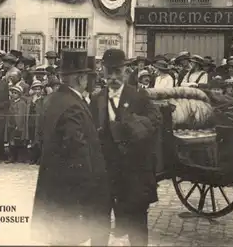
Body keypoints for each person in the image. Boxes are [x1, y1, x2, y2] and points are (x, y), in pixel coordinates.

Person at [31, 50, 110, 246]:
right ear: (81, 78)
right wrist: (90, 191)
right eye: (88, 77)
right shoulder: (73, 105)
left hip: (54, 187)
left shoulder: (54, 100)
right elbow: (77, 150)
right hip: (71, 193)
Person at [90, 48, 162, 246]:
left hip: (133, 170)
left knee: (136, 222)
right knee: (98, 219)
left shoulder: (139, 96)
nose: (113, 77)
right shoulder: (97, 99)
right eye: (109, 72)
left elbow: (155, 120)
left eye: (118, 72)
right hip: (105, 170)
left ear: (126, 70)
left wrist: (136, 125)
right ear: (102, 71)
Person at [4, 85, 29, 164]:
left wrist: (18, 125)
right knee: (11, 140)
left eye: (16, 93)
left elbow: (21, 115)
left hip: (17, 124)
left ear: (19, 94)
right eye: (13, 93)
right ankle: (12, 157)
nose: (13, 94)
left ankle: (19, 157)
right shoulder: (11, 102)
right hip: (10, 123)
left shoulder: (21, 103)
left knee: (18, 140)